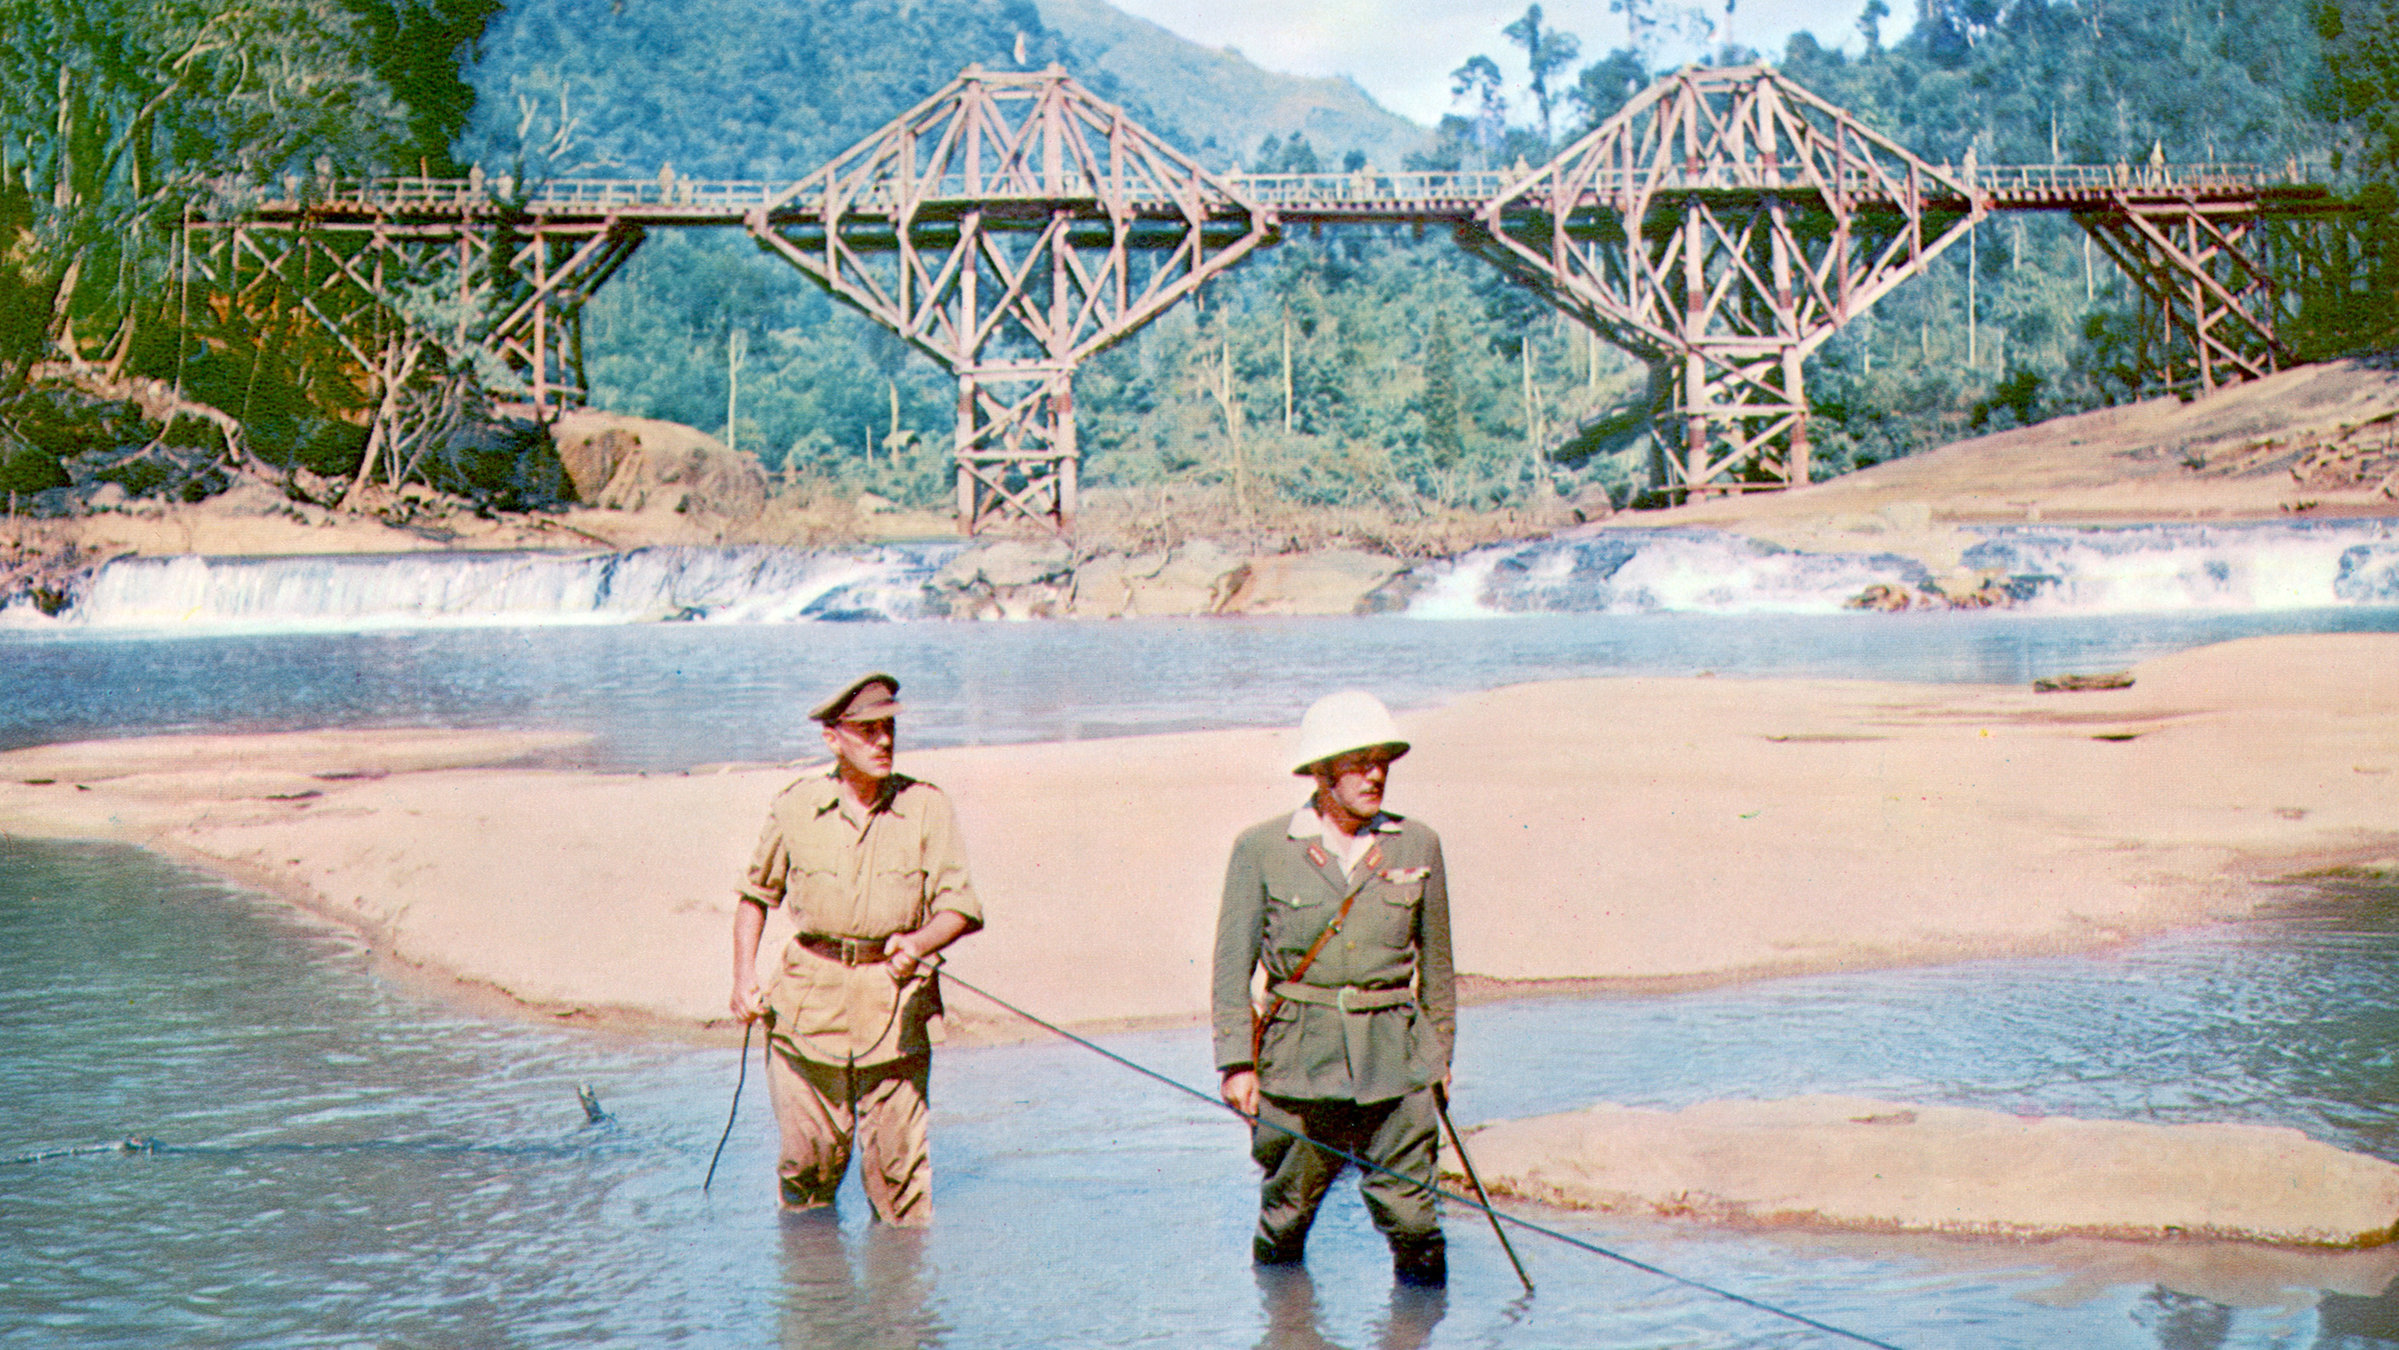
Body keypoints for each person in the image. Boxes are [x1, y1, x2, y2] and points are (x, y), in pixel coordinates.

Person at [1212, 690, 1457, 1286]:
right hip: (1298, 1066)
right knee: (1286, 1218)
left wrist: (1440, 1060)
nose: (1376, 775)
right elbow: (1230, 968)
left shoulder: (1416, 844)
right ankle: (1283, 1320)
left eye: (1382, 762)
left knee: (1415, 1223)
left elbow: (1439, 970)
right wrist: (1237, 1064)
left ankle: (1420, 1321)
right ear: (1321, 772)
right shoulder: (1262, 849)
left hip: (1396, 1064)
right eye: (1359, 763)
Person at [729, 672, 982, 1225]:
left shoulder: (926, 807)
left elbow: (960, 908)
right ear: (833, 738)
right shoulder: (795, 807)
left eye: (889, 728)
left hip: (895, 1011)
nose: (884, 741)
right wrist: (743, 978)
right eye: (868, 730)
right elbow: (754, 897)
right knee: (806, 1169)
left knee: (900, 1184)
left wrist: (919, 941)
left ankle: (902, 1283)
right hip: (806, 1013)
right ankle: (812, 1275)